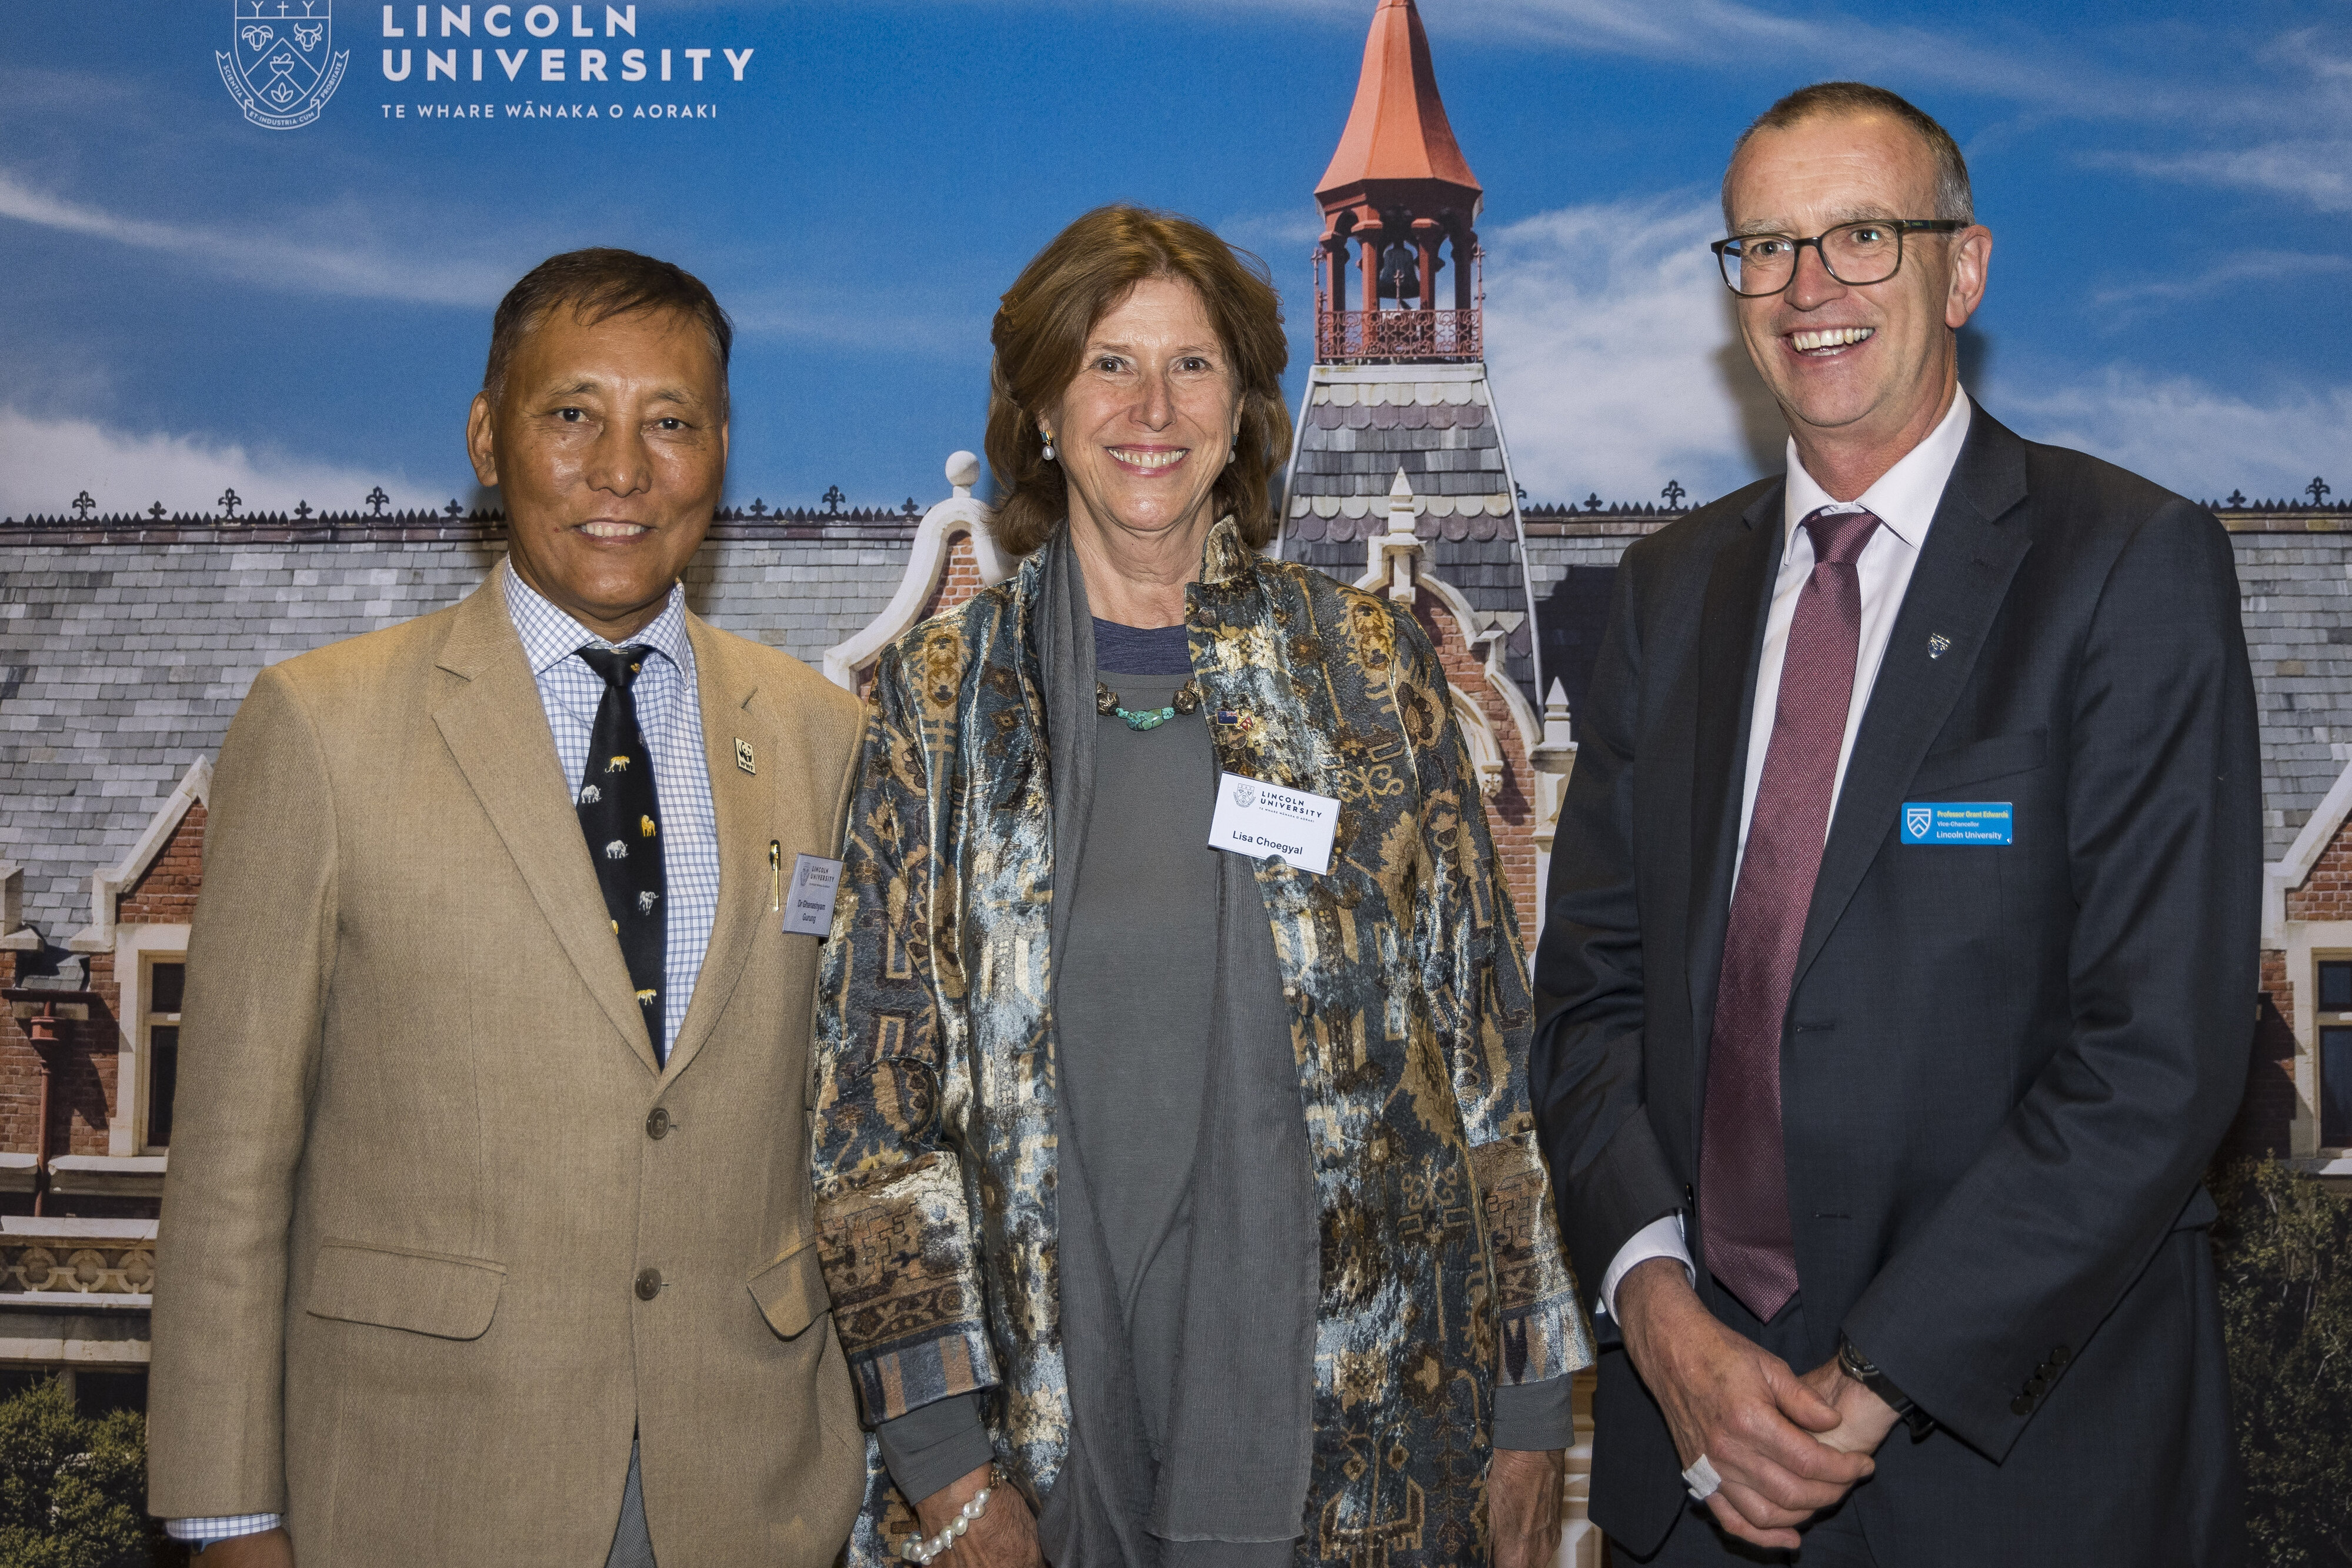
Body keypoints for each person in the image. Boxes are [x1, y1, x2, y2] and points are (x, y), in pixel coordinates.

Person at [1530, 82, 2258, 1567]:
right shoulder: (1663, 594)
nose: (1808, 290)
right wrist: (1660, 1317)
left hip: (2021, 1467)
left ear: (1963, 266)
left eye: (1861, 235)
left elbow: (2154, 1061)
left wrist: (1862, 1389)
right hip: (1692, 1469)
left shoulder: (2126, 564)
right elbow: (1588, 1000)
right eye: (1766, 248)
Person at [808, 204, 1590, 1568]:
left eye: (1192, 366)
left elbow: (1486, 1056)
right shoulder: (943, 700)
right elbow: (873, 1114)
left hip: (1370, 1445)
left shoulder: (1364, 669)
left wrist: (1526, 1411)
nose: (1150, 407)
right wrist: (944, 1472)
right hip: (1037, 1466)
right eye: (1108, 363)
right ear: (1043, 407)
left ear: (1241, 410)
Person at [146, 249, 868, 1566]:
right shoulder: (321, 725)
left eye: (671, 421)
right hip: (423, 1483)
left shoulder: (825, 734)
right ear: (488, 436)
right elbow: (228, 1172)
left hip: (748, 1488)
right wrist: (229, 1515)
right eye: (571, 413)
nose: (621, 469)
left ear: (720, 450)